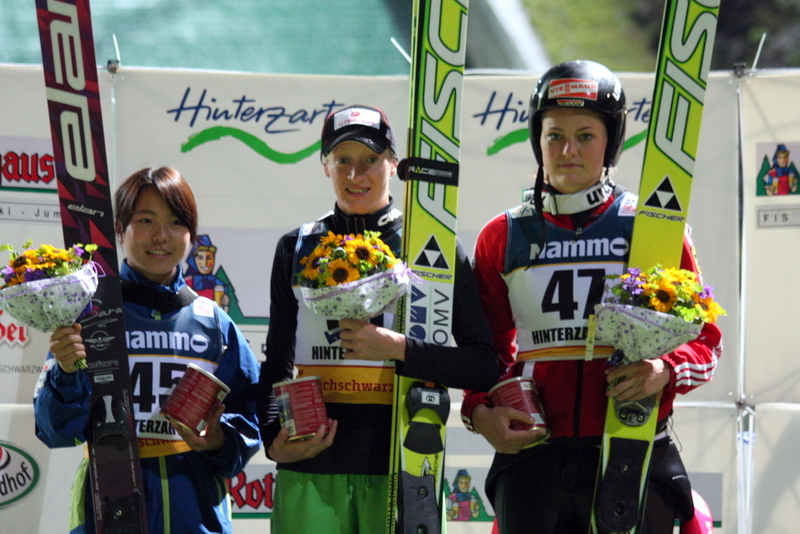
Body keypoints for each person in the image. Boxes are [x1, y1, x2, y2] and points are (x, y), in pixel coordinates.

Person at [459, 60, 724, 534]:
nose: (568, 151)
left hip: (632, 445)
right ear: (537, 140)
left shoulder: (652, 227)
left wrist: (665, 370)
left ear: (611, 142)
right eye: (554, 136)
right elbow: (484, 353)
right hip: (534, 455)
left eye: (585, 135)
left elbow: (706, 342)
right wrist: (479, 411)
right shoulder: (502, 235)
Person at [257, 104, 499, 533]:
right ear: (325, 166)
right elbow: (277, 360)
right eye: (343, 160)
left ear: (393, 163)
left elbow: (483, 365)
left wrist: (398, 349)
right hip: (311, 467)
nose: (356, 175)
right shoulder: (295, 247)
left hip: (402, 469)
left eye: (370, 159)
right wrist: (273, 442)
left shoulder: (433, 245)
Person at [34, 167, 261, 534]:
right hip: (108, 511)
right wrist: (67, 372)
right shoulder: (90, 317)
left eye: (176, 222)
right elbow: (56, 430)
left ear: (192, 235)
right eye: (145, 220)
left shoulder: (215, 323)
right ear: (119, 229)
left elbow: (250, 414)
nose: (161, 235)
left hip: (197, 515)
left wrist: (219, 439)